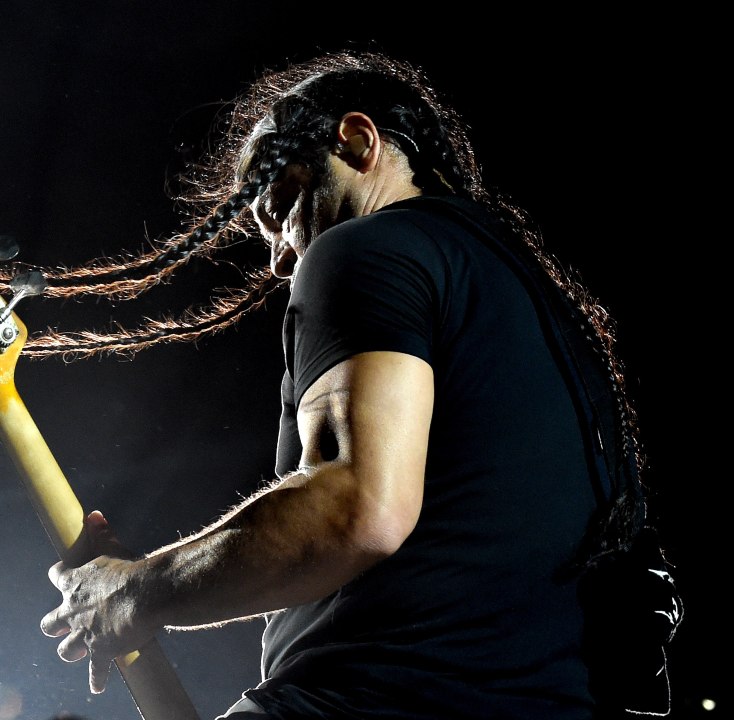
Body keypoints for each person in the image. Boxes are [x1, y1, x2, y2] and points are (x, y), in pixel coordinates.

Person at [39, 53, 662, 719]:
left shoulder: (368, 246)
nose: (279, 258)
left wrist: (137, 595)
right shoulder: (542, 309)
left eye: (277, 207)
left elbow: (354, 509)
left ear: (357, 142)